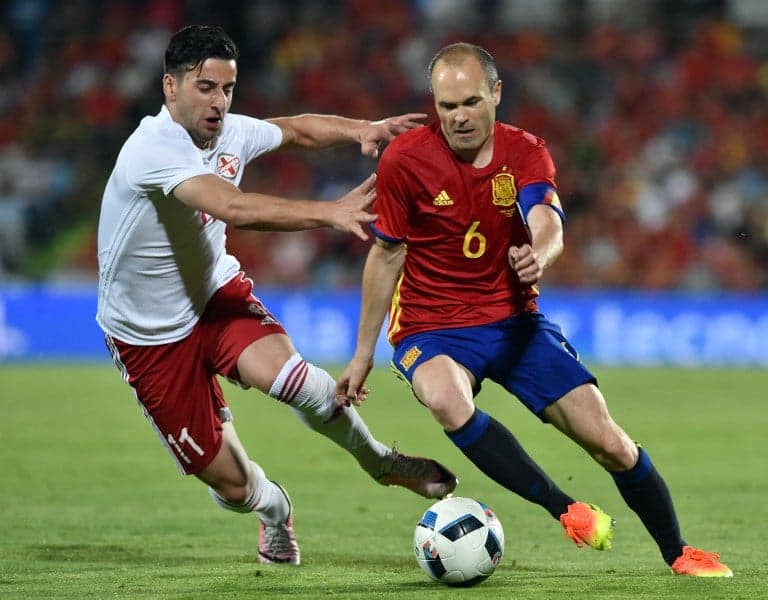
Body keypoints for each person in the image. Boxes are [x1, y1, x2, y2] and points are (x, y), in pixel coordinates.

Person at [336, 42, 732, 578]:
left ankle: (679, 552)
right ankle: (564, 508)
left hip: (516, 322)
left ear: (496, 94)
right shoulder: (405, 160)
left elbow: (547, 219)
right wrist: (361, 354)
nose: (459, 117)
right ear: (434, 103)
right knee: (447, 401)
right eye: (447, 106)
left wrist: (537, 255)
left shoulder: (524, 151)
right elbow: (385, 256)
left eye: (471, 102)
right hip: (432, 327)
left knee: (611, 443)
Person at [95, 24, 457, 567]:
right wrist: (329, 213)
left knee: (295, 380)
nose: (219, 102)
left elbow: (294, 131)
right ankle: (274, 511)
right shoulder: (151, 149)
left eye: (228, 88)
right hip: (148, 337)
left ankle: (380, 461)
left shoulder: (228, 131)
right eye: (204, 87)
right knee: (236, 490)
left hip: (214, 297)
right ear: (169, 87)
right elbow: (234, 208)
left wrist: (365, 127)